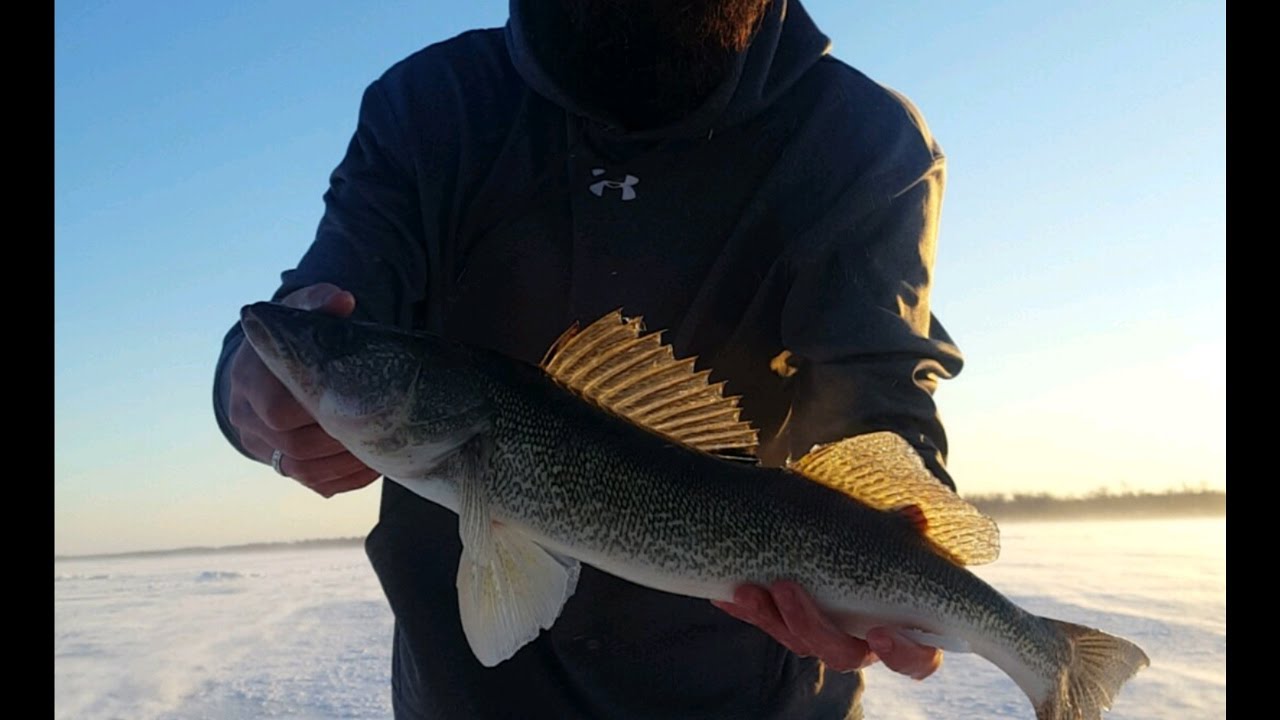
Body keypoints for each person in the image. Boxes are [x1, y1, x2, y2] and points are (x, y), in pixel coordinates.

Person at [212, 0, 965, 717]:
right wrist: (248, 395)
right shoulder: (431, 103)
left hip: (763, 696)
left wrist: (913, 558)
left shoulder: (864, 138)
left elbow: (878, 399)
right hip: (462, 696)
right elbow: (330, 300)